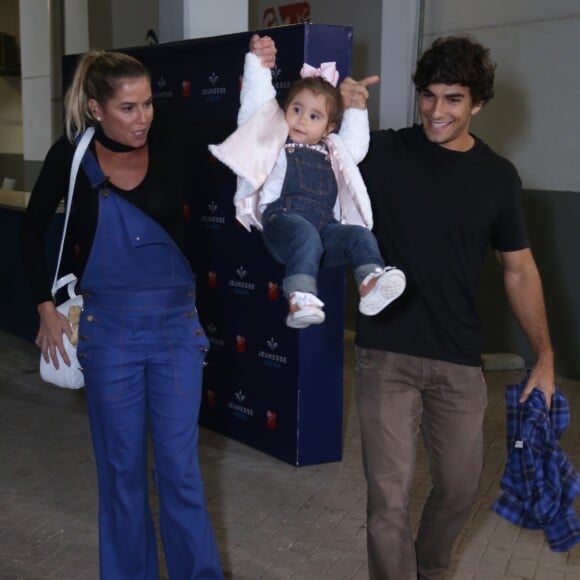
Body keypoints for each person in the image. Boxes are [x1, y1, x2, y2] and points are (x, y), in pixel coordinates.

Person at [20, 37, 276, 579]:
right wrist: (44, 304)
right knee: (122, 472)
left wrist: (260, 71)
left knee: (181, 471)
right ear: (96, 108)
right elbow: (30, 227)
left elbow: (251, 140)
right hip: (107, 335)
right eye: (128, 108)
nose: (143, 118)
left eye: (148, 104)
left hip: (176, 334)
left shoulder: (176, 144)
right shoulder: (72, 156)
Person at [339, 35, 555, 579]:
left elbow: (519, 269)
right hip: (386, 353)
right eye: (429, 96)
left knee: (460, 489)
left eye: (453, 99)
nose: (437, 111)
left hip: (459, 357)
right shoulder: (384, 152)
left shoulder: (497, 177)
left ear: (477, 103)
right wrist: (342, 114)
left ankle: (429, 568)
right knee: (387, 500)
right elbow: (313, 156)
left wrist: (545, 357)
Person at [209, 35, 406, 329]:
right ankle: (300, 296)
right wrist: (259, 64)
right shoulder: (275, 137)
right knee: (305, 235)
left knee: (359, 236)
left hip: (324, 228)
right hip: (283, 223)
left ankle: (370, 280)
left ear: (329, 128)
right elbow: (255, 106)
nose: (301, 120)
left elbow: (357, 144)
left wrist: (355, 108)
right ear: (285, 110)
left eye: (314, 116)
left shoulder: (335, 148)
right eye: (296, 110)